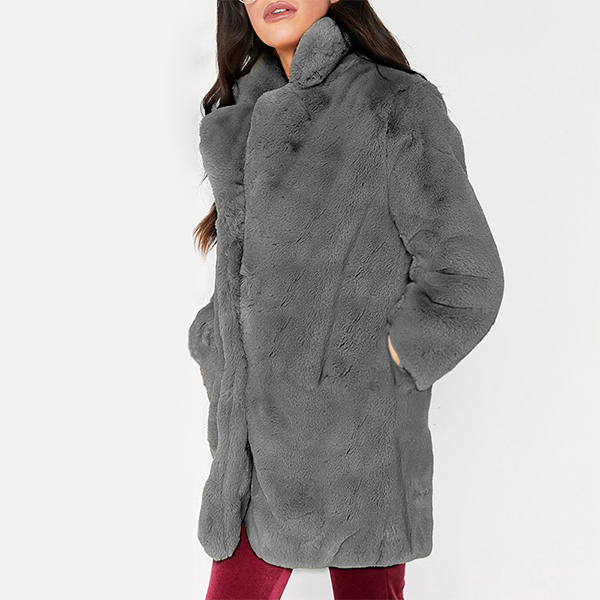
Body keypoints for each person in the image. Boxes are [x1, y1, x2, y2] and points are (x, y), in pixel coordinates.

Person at [189, 1, 505, 598]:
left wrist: (380, 365)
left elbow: (467, 276)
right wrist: (214, 338)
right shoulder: (245, 116)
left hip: (361, 459)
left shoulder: (393, 103)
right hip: (250, 461)